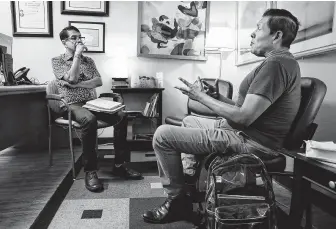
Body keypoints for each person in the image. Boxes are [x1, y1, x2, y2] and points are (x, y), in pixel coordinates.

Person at [143, 8, 301, 224]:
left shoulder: (276, 65)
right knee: (189, 120)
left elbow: (244, 117)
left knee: (162, 135)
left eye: (258, 28)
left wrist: (200, 97)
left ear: (276, 35)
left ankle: (177, 201)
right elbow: (242, 108)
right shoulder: (279, 63)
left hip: (251, 142)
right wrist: (216, 97)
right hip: (244, 132)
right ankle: (188, 180)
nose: (252, 34)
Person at [51, 26, 142, 193]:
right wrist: (77, 56)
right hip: (71, 105)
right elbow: (71, 76)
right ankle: (90, 171)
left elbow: (98, 81)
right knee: (89, 120)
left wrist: (77, 84)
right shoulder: (57, 61)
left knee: (122, 115)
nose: (78, 40)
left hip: (92, 102)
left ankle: (119, 165)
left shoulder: (89, 61)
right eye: (73, 38)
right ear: (64, 42)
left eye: (80, 37)